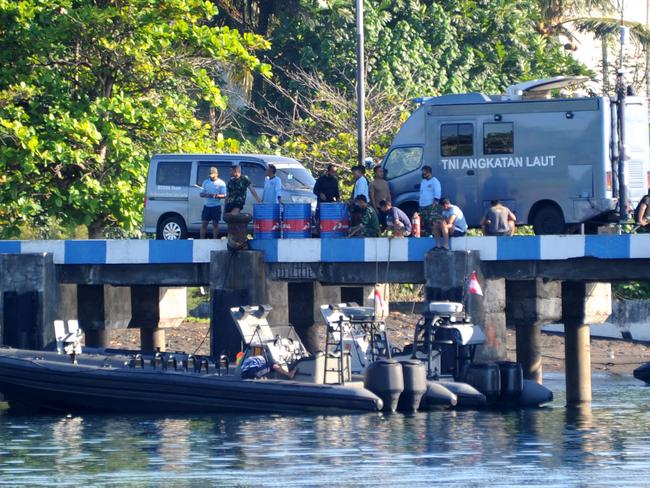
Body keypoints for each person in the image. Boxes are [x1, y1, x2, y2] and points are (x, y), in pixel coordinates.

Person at [199, 167, 227, 239]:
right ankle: (201, 240)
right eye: (209, 174)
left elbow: (224, 195)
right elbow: (201, 194)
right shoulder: (205, 182)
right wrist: (205, 194)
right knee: (204, 224)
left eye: (212, 174)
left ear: (216, 174)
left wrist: (214, 195)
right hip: (207, 206)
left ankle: (215, 240)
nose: (210, 176)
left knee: (215, 224)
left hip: (216, 206)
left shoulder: (221, 183)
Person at [419, 165, 442, 236]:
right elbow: (421, 192)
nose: (423, 174)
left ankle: (434, 239)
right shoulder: (423, 181)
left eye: (424, 173)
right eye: (422, 173)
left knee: (432, 223)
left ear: (429, 173)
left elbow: (438, 192)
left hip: (431, 206)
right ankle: (426, 237)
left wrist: (435, 204)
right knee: (425, 224)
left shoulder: (435, 181)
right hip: (422, 206)